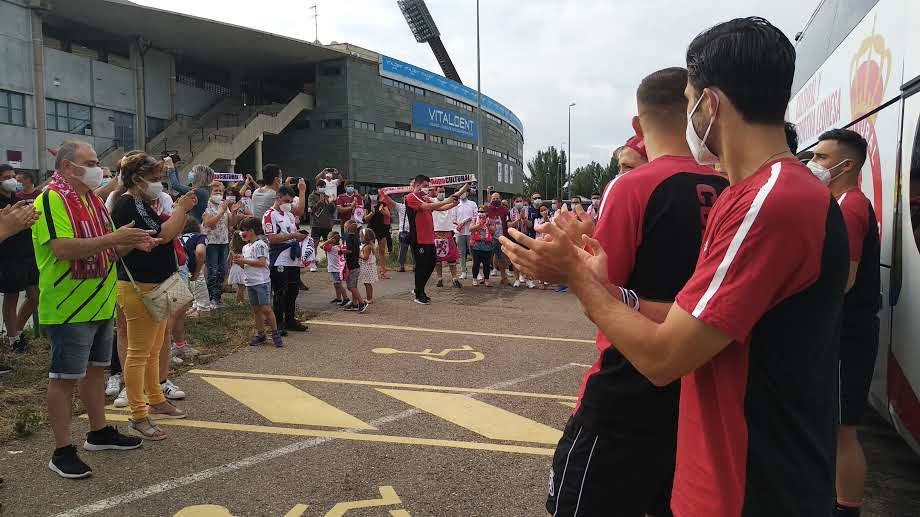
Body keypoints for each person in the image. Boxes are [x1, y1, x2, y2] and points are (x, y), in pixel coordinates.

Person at [502, 18, 848, 517]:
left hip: (747, 488)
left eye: (688, 101)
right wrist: (609, 288)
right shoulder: (755, 195)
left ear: (709, 104)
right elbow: (701, 320)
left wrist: (575, 277)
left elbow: (663, 360)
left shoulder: (772, 202)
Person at [553, 67, 734, 516]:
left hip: (627, 386)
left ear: (639, 126)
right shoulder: (731, 187)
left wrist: (568, 261)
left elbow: (600, 292)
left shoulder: (634, 186)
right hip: (701, 387)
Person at [33, 141, 155, 478]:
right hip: (69, 307)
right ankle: (61, 450)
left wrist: (131, 242)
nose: (97, 168)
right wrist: (114, 240)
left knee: (96, 371)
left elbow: (108, 249)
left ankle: (98, 432)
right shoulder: (52, 199)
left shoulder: (91, 201)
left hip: (100, 300)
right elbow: (62, 248)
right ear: (68, 166)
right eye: (91, 162)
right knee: (63, 379)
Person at [809, 129, 879, 517]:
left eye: (821, 157)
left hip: (847, 334)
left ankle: (845, 509)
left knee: (843, 430)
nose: (813, 164)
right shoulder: (845, 203)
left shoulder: (849, 207)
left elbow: (844, 279)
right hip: (849, 331)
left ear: (846, 165)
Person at [113, 152, 196, 440]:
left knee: (154, 346)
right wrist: (182, 209)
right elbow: (165, 234)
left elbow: (166, 233)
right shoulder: (128, 204)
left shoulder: (142, 202)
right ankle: (138, 414)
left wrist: (178, 214)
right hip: (140, 286)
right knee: (139, 352)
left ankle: (157, 398)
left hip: (157, 284)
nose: (159, 185)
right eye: (155, 179)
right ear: (136, 179)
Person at [406, 177, 469, 304]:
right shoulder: (411, 197)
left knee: (431, 264)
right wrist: (448, 200)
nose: (426, 188)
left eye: (428, 185)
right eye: (424, 185)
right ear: (417, 185)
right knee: (421, 266)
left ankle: (419, 289)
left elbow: (440, 207)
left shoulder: (425, 197)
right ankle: (419, 293)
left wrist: (453, 203)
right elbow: (427, 206)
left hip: (429, 238)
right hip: (419, 238)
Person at [0, 164, 39, 353]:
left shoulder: (19, 200)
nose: (12, 180)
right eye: (7, 177)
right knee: (12, 295)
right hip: (9, 256)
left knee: (35, 295)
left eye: (13, 176)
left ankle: (19, 329)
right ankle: (13, 337)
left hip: (28, 254)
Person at [262, 185, 308, 332]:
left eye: (290, 201)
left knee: (293, 290)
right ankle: (278, 322)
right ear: (278, 198)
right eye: (286, 201)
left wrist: (298, 235)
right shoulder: (269, 215)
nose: (288, 204)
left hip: (292, 257)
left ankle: (290, 320)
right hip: (279, 257)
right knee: (280, 291)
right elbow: (272, 238)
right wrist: (293, 236)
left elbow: (292, 232)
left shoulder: (289, 215)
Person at [235, 217, 283, 347]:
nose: (242, 234)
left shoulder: (260, 244)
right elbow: (247, 266)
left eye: (243, 231)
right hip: (250, 282)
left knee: (266, 309)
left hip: (261, 282)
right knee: (256, 310)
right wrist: (240, 262)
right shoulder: (246, 247)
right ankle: (260, 334)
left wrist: (244, 261)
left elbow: (261, 262)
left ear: (251, 231)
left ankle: (275, 333)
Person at [202, 181, 244, 308]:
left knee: (222, 270)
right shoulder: (207, 205)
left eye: (221, 191)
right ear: (210, 193)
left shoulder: (223, 204)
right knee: (213, 270)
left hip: (223, 241)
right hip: (211, 242)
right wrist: (221, 212)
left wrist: (234, 211)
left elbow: (231, 223)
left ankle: (218, 297)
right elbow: (209, 223)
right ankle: (210, 298)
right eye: (216, 191)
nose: (219, 193)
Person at [431, 186, 462, 288]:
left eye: (443, 191)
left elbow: (458, 194)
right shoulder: (432, 201)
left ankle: (454, 279)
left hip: (448, 233)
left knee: (452, 259)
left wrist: (468, 184)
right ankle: (440, 279)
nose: (441, 193)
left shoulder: (449, 200)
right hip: (436, 234)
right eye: (439, 191)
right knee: (437, 260)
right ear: (435, 192)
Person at [341, 220, 368, 312]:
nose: (344, 228)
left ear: (348, 228)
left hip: (352, 265)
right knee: (354, 286)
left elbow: (350, 250)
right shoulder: (356, 238)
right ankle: (354, 303)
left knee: (351, 286)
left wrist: (341, 251)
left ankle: (361, 303)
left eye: (345, 227)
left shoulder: (348, 238)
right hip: (355, 264)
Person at [364, 192, 392, 279]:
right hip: (371, 229)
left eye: (375, 194)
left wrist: (382, 211)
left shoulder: (382, 204)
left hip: (381, 229)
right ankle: (368, 270)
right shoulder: (367, 205)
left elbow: (388, 215)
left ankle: (383, 271)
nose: (373, 196)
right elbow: (365, 219)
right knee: (369, 249)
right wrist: (371, 213)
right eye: (371, 194)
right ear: (369, 196)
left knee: (382, 250)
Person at [508, 196, 534, 288]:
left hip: (526, 238)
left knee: (527, 259)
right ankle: (517, 279)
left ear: (523, 202)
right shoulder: (510, 212)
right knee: (515, 260)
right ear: (514, 202)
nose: (519, 202)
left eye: (520, 201)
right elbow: (509, 225)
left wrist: (524, 219)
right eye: (517, 201)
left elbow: (531, 225)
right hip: (514, 238)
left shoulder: (529, 211)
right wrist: (518, 219)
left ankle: (528, 280)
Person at [486, 191, 510, 285]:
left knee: (502, 258)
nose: (495, 200)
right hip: (489, 237)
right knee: (486, 258)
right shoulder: (488, 209)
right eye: (494, 199)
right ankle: (486, 278)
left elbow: (507, 223)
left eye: (497, 198)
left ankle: (504, 278)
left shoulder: (504, 210)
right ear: (491, 200)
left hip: (501, 237)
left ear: (500, 199)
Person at [469, 205, 496, 287]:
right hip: (476, 245)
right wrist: (479, 225)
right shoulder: (474, 219)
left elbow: (493, 231)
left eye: (483, 211)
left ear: (487, 212)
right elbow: (471, 229)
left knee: (487, 264)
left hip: (487, 246)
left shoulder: (490, 220)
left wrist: (487, 225)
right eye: (479, 211)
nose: (481, 213)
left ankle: (487, 280)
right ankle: (474, 279)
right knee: (476, 263)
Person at [454, 188, 478, 279]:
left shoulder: (472, 204)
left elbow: (476, 216)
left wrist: (467, 220)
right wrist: (458, 223)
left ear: (467, 193)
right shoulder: (456, 205)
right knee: (461, 252)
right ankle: (463, 271)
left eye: (464, 192)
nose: (462, 194)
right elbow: (453, 218)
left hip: (470, 231)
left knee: (473, 252)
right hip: (459, 232)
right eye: (460, 192)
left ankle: (476, 272)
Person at [320, 232, 349, 306]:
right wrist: (329, 241)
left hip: (336, 269)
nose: (327, 239)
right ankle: (338, 298)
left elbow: (321, 246)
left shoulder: (331, 248)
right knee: (336, 284)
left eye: (329, 238)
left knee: (338, 284)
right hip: (335, 268)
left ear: (333, 240)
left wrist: (328, 241)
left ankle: (346, 299)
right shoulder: (338, 247)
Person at [308, 180, 335, 248]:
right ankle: (313, 258)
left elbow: (332, 210)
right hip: (316, 224)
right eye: (321, 186)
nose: (323, 188)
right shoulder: (312, 196)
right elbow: (312, 209)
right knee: (314, 244)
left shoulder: (327, 196)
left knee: (328, 245)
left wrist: (331, 202)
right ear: (317, 187)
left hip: (327, 225)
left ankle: (328, 258)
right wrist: (320, 202)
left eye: (324, 187)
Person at [358, 228, 379, 304]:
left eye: (361, 236)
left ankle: (369, 298)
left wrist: (358, 255)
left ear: (365, 238)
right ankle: (369, 297)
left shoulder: (367, 247)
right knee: (367, 283)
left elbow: (365, 258)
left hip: (367, 268)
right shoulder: (368, 246)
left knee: (367, 283)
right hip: (368, 267)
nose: (360, 238)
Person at [227, 230, 247, 304]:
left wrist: (230, 268)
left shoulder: (232, 250)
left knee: (240, 287)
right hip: (242, 269)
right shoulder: (245, 249)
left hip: (235, 269)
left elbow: (228, 260)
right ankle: (241, 301)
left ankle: (238, 301)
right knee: (242, 287)